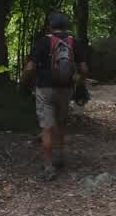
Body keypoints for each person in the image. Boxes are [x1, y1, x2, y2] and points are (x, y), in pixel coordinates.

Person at [21, 11, 88, 181]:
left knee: (47, 128)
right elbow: (84, 70)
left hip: (44, 89)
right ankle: (60, 155)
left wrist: (23, 83)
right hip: (65, 89)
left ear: (50, 26)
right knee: (61, 123)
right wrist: (80, 84)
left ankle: (49, 166)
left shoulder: (43, 42)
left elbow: (30, 68)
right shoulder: (74, 42)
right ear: (66, 26)